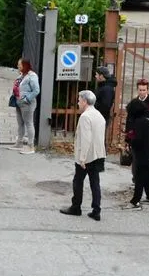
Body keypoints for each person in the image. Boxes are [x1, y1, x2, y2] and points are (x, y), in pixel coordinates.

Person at [60, 90, 106, 221]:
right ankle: (96, 210)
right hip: (98, 154)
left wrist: (82, 158)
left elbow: (86, 139)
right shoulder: (98, 115)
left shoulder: (85, 117)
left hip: (87, 156)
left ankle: (76, 207)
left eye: (79, 100)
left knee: (78, 181)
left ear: (85, 101)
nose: (78, 102)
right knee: (95, 182)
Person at [123, 98, 149, 210]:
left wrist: (130, 142)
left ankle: (135, 201)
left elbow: (138, 140)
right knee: (146, 175)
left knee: (139, 177)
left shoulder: (140, 122)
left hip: (145, 153)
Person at [125, 78, 149, 186]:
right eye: (140, 90)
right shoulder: (134, 103)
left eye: (144, 90)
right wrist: (128, 139)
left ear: (147, 90)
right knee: (136, 158)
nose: (142, 92)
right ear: (137, 90)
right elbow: (129, 121)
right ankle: (136, 178)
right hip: (136, 136)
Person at [13, 58, 40, 155]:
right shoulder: (22, 75)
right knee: (20, 123)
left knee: (29, 123)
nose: (18, 66)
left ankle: (30, 146)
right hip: (18, 103)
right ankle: (19, 143)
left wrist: (26, 99)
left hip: (27, 104)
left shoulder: (32, 76)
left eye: (19, 65)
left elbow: (36, 90)